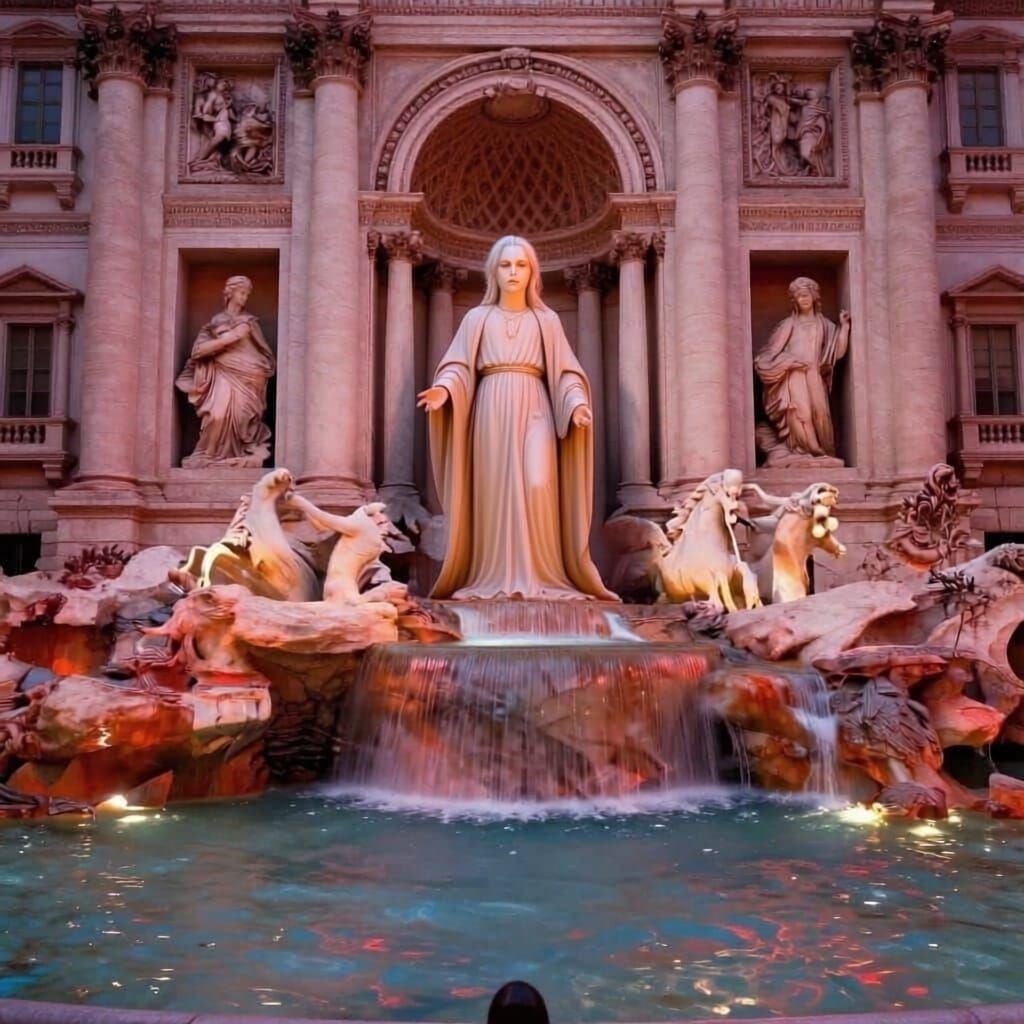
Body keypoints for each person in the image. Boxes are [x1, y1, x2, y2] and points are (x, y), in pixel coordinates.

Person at [417, 235, 616, 600]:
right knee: (493, 488)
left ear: (532, 272)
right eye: (506, 265)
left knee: (538, 483)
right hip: (490, 406)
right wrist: (444, 389)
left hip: (535, 402)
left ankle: (544, 576)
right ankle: (491, 578)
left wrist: (575, 404)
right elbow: (459, 365)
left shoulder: (546, 320)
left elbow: (567, 372)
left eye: (521, 265)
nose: (513, 272)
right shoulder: (478, 318)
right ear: (494, 271)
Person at [176, 275, 276, 468]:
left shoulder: (249, 323)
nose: (244, 297)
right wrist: (228, 339)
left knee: (241, 420)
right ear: (230, 293)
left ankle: (236, 454)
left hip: (248, 379)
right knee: (217, 415)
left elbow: (265, 354)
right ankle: (207, 454)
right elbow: (198, 351)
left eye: (247, 294)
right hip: (222, 374)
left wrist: (258, 369)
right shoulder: (215, 323)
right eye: (241, 292)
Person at [754, 276, 850, 463]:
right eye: (799, 297)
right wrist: (788, 362)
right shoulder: (788, 325)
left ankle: (823, 453)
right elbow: (766, 356)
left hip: (814, 375)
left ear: (814, 297)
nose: (803, 299)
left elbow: (837, 353)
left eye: (806, 295)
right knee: (800, 413)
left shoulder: (826, 325)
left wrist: (844, 328)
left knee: (820, 415)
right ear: (795, 301)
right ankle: (803, 452)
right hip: (793, 377)